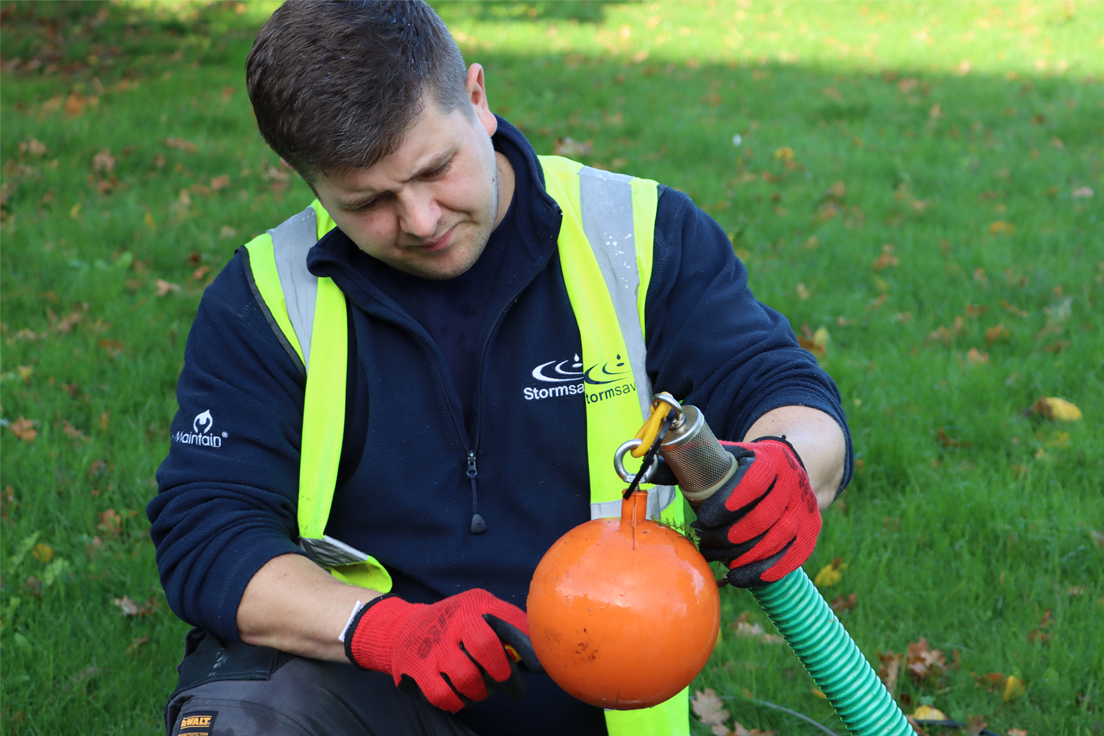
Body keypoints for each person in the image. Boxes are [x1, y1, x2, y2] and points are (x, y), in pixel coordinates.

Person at [147, 1, 852, 735]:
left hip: (604, 704)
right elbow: (209, 532)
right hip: (372, 685)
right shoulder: (265, 295)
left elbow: (780, 389)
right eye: (369, 201)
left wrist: (789, 465)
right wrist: (389, 632)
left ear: (477, 99)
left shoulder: (639, 235)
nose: (421, 221)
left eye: (435, 169)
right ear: (312, 184)